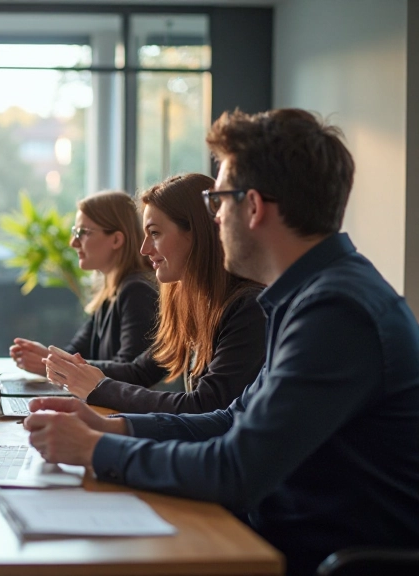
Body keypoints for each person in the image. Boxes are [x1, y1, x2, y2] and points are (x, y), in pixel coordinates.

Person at [24, 108, 419, 576]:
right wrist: (110, 428)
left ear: (253, 207)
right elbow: (230, 418)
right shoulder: (310, 295)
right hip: (271, 539)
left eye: (218, 201)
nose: (214, 219)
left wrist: (92, 450)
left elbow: (236, 469)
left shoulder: (336, 311)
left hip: (303, 558)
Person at [42, 173, 266, 414]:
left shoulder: (249, 307)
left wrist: (100, 388)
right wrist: (76, 372)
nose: (144, 249)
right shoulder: (191, 302)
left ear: (197, 233)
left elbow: (205, 406)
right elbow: (142, 369)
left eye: (155, 233)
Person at [10, 190, 157, 373]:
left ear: (116, 239)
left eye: (82, 232)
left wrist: (55, 365)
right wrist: (48, 359)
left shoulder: (136, 291)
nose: (73, 242)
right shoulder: (110, 292)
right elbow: (77, 351)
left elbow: (131, 372)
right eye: (75, 232)